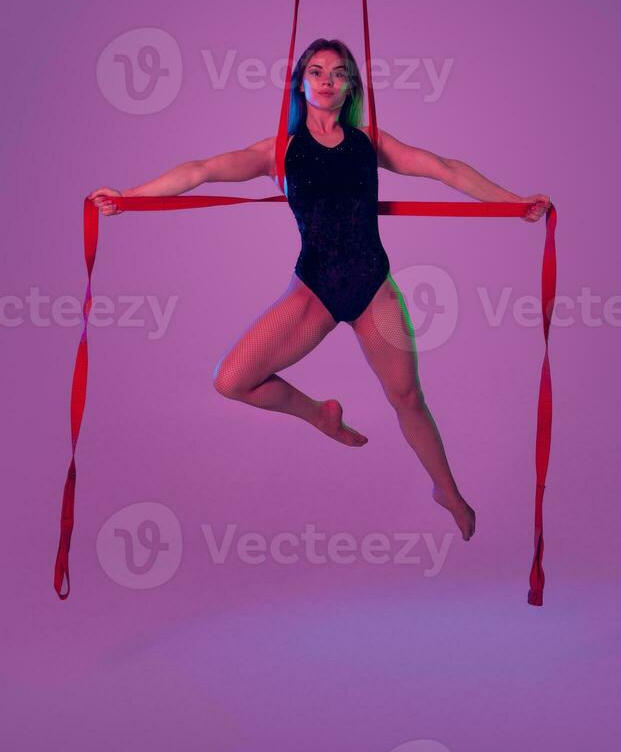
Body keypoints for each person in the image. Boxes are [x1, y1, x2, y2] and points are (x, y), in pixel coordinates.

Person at [90, 38, 551, 543]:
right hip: (316, 289)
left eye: (337, 72)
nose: (327, 79)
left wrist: (513, 201)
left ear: (350, 84)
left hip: (372, 286)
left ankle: (448, 492)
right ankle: (319, 415)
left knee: (407, 396)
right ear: (301, 83)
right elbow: (200, 170)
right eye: (316, 70)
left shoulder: (368, 141)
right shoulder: (280, 150)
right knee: (231, 380)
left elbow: (444, 167)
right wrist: (129, 196)